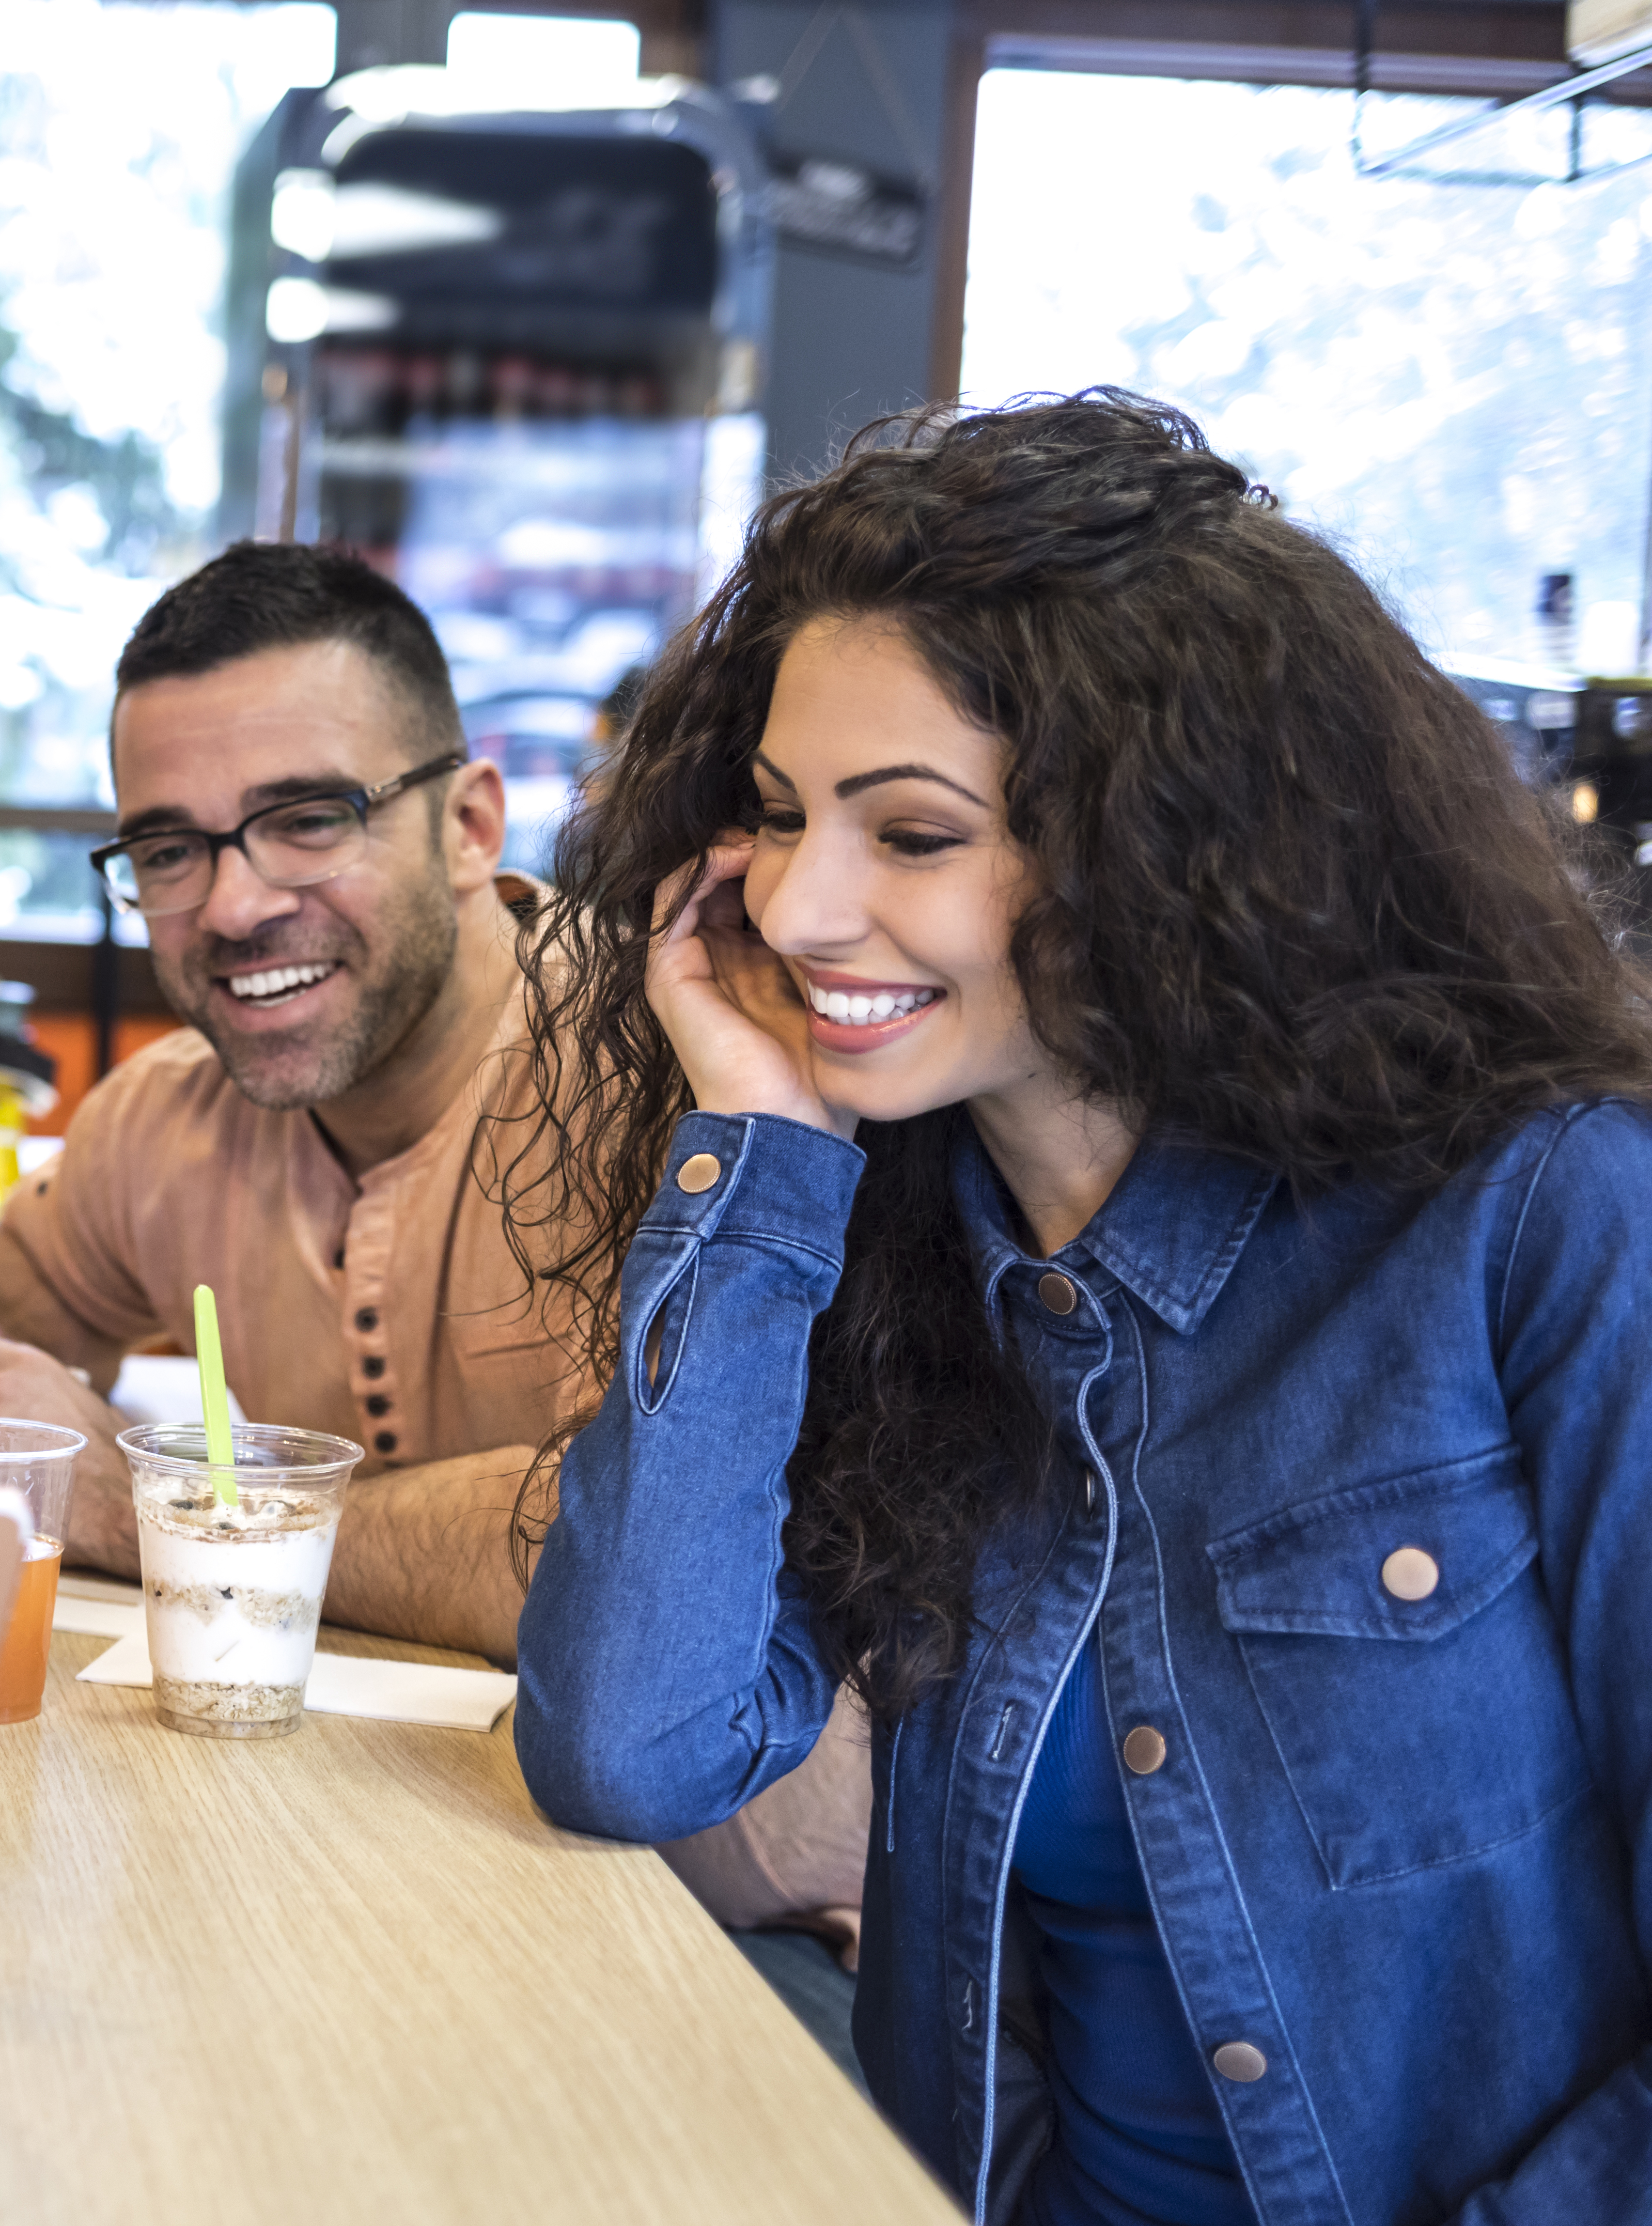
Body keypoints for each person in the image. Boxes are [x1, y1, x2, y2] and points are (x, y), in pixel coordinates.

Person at [512, 392, 1652, 2222]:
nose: (801, 907)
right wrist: (758, 1149)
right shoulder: (889, 1268)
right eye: (786, 817)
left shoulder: (1544, 1214)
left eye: (914, 836)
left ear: (1162, 845)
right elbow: (627, 1747)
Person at [0, 542, 868, 1987]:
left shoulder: (687, 1078)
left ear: (467, 824)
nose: (231, 904)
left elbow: (602, 1550)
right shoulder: (167, 1121)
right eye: (167, 848)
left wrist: (155, 1508)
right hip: (352, 1875)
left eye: (306, 819)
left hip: (747, 1930)